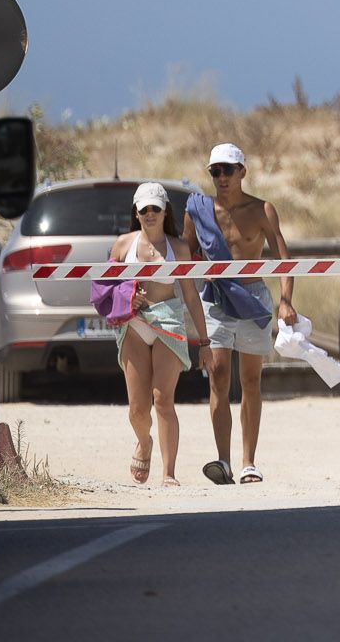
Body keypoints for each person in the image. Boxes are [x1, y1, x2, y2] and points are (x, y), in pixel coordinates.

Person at [187, 143, 296, 486]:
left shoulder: (262, 209)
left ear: (242, 172)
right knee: (219, 376)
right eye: (214, 172)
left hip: (252, 298)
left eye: (227, 170)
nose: (221, 177)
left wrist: (286, 301)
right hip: (216, 297)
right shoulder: (199, 211)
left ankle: (249, 462)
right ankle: (223, 460)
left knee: (251, 380)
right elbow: (187, 254)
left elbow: (283, 258)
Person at [113, 182, 207, 487]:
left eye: (155, 208)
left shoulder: (178, 248)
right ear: (136, 213)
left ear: (165, 211)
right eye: (144, 209)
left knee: (163, 399)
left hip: (168, 322)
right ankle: (144, 441)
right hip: (135, 326)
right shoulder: (122, 245)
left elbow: (191, 296)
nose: (150, 214)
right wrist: (129, 297)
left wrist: (204, 342)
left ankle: (169, 473)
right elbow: (105, 288)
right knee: (138, 409)